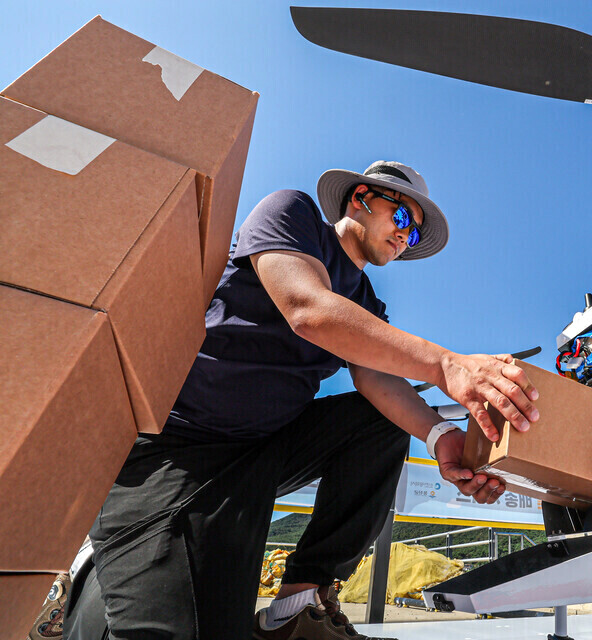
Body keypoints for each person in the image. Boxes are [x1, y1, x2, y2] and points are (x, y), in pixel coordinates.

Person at [62, 161, 539, 640]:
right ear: (362, 198)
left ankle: (294, 606)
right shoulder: (292, 214)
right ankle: (91, 575)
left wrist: (442, 437)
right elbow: (307, 309)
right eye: (402, 219)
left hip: (264, 448)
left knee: (379, 423)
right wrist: (447, 365)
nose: (405, 237)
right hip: (176, 447)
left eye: (414, 235)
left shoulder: (368, 304)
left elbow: (379, 382)